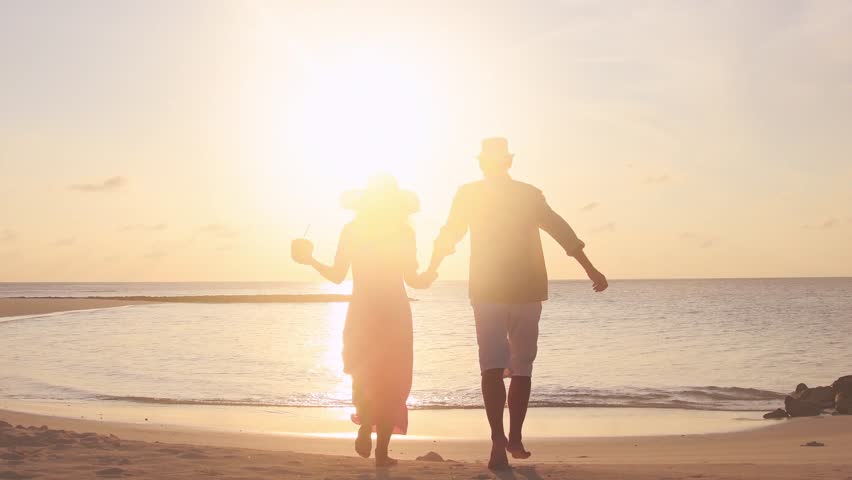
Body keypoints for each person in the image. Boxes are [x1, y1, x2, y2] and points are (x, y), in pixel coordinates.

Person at [426, 137, 608, 470]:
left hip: (489, 290)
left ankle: (499, 440)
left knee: (491, 367)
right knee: (521, 366)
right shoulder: (527, 194)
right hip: (525, 290)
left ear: (482, 163)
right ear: (509, 162)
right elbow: (560, 229)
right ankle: (514, 437)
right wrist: (589, 267)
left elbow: (449, 234)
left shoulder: (470, 194)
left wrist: (431, 269)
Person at [292, 175, 435, 467]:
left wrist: (310, 260)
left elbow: (336, 275)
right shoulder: (402, 231)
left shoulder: (353, 230)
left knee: (363, 372)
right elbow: (413, 279)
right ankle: (381, 452)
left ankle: (365, 424)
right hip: (394, 311)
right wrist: (429, 275)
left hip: (363, 310)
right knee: (391, 380)